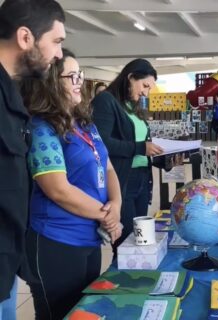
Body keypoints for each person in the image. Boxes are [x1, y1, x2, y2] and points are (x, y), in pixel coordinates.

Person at [21, 49, 122, 319]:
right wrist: (108, 216)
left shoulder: (85, 124)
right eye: (72, 76)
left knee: (83, 312)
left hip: (88, 241)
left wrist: (117, 205)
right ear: (52, 82)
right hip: (56, 241)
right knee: (60, 313)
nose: (80, 81)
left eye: (81, 74)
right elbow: (58, 190)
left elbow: (108, 167)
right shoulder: (42, 128)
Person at [0, 0, 65, 318]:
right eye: (56, 41)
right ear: (25, 37)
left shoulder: (11, 96)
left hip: (7, 262)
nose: (60, 55)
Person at [92, 58, 163, 257]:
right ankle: (125, 284)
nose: (145, 93)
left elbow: (141, 147)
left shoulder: (133, 107)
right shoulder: (106, 101)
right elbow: (102, 143)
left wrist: (163, 159)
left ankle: (137, 280)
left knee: (140, 240)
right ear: (131, 77)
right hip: (122, 181)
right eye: (144, 85)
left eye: (149, 89)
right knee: (126, 244)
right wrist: (141, 147)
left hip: (142, 179)